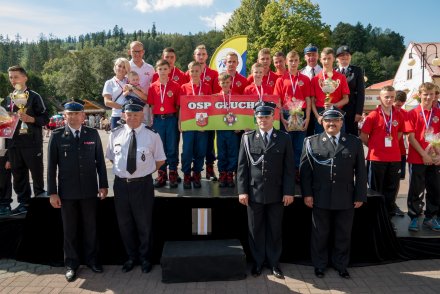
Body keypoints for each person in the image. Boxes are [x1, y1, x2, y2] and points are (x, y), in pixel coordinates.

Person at [300, 106, 367, 279]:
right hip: (319, 195)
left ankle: (341, 265)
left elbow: (361, 172)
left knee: (343, 233)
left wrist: (360, 195)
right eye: (328, 120)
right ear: (322, 122)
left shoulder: (354, 142)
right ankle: (320, 265)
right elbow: (305, 172)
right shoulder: (311, 142)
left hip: (345, 196)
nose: (332, 123)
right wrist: (307, 194)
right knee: (320, 233)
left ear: (341, 122)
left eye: (335, 120)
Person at [47, 99, 108, 282]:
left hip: (89, 190)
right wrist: (53, 192)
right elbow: (51, 167)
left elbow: (100, 162)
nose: (73, 117)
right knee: (70, 230)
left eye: (76, 114)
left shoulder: (92, 134)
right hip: (67, 192)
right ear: (64, 116)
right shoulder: (57, 136)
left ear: (83, 116)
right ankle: (71, 264)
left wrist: (103, 185)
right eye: (69, 114)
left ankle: (92, 260)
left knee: (91, 228)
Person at [106, 100, 166, 274]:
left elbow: (160, 160)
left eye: (136, 114)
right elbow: (112, 157)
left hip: (143, 185)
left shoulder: (152, 135)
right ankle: (131, 257)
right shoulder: (115, 134)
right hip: (121, 185)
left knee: (144, 224)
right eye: (129, 114)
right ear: (124, 115)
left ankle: (145, 258)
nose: (132, 118)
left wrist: (144, 172)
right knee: (125, 224)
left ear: (142, 115)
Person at [237, 101, 295, 280]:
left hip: (277, 193)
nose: (263, 120)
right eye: (260, 117)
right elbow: (242, 167)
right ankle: (258, 262)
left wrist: (288, 191)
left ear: (273, 117)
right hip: (254, 192)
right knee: (255, 229)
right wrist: (242, 191)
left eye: (266, 117)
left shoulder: (284, 138)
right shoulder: (247, 138)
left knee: (275, 229)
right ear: (256, 118)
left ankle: (274, 263)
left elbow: (289, 168)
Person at [4, 65, 50, 215]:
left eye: (16, 76)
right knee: (18, 176)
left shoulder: (35, 96)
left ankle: (39, 202)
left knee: (36, 175)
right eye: (10, 77)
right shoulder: (7, 99)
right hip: (14, 145)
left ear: (25, 77)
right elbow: (4, 125)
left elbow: (45, 119)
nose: (13, 80)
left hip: (32, 143)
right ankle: (24, 203)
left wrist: (30, 119)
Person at [360, 86, 405, 217]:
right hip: (376, 159)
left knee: (391, 189)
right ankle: (375, 216)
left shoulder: (399, 115)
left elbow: (400, 132)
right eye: (386, 97)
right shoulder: (372, 115)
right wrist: (374, 147)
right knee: (375, 190)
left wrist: (391, 145)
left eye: (392, 97)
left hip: (395, 158)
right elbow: (363, 136)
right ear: (380, 98)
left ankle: (389, 216)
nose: (389, 99)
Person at [406, 82, 440, 232]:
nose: (428, 97)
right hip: (417, 158)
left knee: (435, 189)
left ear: (435, 96)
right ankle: (414, 217)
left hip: (435, 158)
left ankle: (430, 218)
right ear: (419, 95)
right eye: (425, 94)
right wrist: (424, 154)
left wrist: (439, 155)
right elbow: (411, 138)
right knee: (416, 189)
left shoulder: (438, 113)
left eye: (431, 94)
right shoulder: (412, 113)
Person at [274, 50, 311, 180]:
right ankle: (287, 170)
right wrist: (281, 118)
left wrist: (308, 117)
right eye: (291, 60)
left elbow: (308, 99)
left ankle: (297, 170)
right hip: (286, 114)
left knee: (299, 145)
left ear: (299, 61)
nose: (293, 63)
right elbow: (277, 100)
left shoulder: (305, 79)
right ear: (286, 62)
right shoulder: (281, 80)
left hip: (301, 114)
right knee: (287, 145)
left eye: (296, 60)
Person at [147, 59, 180, 188]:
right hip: (158, 120)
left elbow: (178, 107)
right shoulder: (152, 86)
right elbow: (151, 106)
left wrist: (178, 122)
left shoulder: (176, 86)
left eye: (165, 69)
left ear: (169, 70)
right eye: (160, 69)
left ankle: (173, 173)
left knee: (172, 147)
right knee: (159, 148)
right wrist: (151, 122)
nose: (163, 72)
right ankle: (162, 174)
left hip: (171, 119)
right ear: (156, 70)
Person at [179, 61, 212, 189]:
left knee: (201, 150)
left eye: (197, 71)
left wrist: (207, 125)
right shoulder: (184, 87)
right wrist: (180, 123)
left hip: (202, 125)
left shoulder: (207, 87)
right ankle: (187, 174)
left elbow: (211, 107)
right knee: (187, 151)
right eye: (192, 71)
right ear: (189, 72)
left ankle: (197, 173)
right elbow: (181, 108)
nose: (194, 73)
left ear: (201, 72)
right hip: (188, 124)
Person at [190, 45, 219, 181]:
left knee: (208, 142)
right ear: (194, 56)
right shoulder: (189, 72)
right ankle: (195, 170)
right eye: (198, 54)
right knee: (194, 144)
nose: (201, 56)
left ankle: (209, 168)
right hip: (191, 117)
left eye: (203, 54)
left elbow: (215, 95)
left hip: (209, 115)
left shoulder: (213, 74)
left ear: (207, 56)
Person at [311, 47, 350, 134]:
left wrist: (333, 105)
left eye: (329, 58)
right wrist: (317, 117)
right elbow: (312, 101)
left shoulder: (341, 77)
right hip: (320, 113)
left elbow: (346, 99)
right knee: (321, 144)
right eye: (324, 59)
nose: (326, 61)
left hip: (337, 112)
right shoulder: (315, 79)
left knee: (339, 143)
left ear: (334, 59)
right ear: (320, 60)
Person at [215, 73, 240, 188]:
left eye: (227, 82)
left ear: (231, 82)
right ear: (219, 83)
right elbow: (212, 114)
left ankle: (230, 174)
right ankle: (222, 174)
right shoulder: (215, 97)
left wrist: (239, 125)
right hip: (220, 129)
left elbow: (241, 112)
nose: (225, 84)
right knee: (222, 153)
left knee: (233, 153)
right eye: (223, 82)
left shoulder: (237, 96)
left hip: (233, 130)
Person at [335, 46, 365, 136]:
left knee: (352, 137)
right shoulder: (332, 71)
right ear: (337, 58)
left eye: (347, 54)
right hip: (336, 109)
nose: (345, 57)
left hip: (352, 111)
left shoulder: (357, 71)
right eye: (342, 55)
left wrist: (358, 112)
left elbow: (361, 93)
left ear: (350, 57)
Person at [128, 41, 155, 125]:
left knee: (146, 135)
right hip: (130, 107)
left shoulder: (150, 68)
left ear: (143, 52)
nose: (137, 54)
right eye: (134, 51)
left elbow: (154, 87)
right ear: (129, 52)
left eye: (139, 51)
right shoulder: (126, 66)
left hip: (146, 108)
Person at [102, 58, 131, 129]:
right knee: (116, 140)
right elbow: (107, 102)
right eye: (119, 66)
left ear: (127, 69)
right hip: (117, 116)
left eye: (124, 67)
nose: (121, 69)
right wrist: (123, 107)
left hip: (131, 116)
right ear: (115, 67)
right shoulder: (109, 82)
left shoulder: (130, 81)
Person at [392, 90, 408, 216]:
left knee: (396, 180)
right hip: (383, 154)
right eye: (396, 105)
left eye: (400, 105)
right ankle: (381, 205)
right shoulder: (383, 111)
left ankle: (393, 203)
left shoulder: (404, 114)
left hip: (400, 152)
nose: (398, 108)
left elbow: (408, 132)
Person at [301, 44, 322, 137]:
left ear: (318, 55)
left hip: (320, 108)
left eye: (314, 54)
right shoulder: (300, 73)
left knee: (321, 135)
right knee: (307, 135)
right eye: (309, 55)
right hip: (306, 110)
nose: (311, 57)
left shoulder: (324, 71)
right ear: (305, 57)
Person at [0, 137, 12, 216]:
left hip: (3, 155)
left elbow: (11, 142)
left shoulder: (6, 124)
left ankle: (5, 205)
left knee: (5, 181)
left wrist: (9, 159)